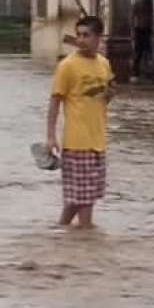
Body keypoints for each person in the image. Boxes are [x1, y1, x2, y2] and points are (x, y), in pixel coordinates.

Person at [47, 15, 115, 229]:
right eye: (79, 35)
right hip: (77, 142)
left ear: (98, 37)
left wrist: (109, 93)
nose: (81, 39)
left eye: (87, 35)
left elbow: (105, 96)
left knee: (86, 197)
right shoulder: (67, 66)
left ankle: (62, 233)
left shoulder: (104, 64)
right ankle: (84, 236)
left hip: (98, 142)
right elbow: (55, 101)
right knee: (81, 200)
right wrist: (51, 137)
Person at [132, 0, 153, 80]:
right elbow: (133, 16)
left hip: (144, 29)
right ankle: (137, 71)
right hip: (140, 29)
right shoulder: (140, 5)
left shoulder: (148, 6)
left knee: (144, 51)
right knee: (140, 52)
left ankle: (143, 71)